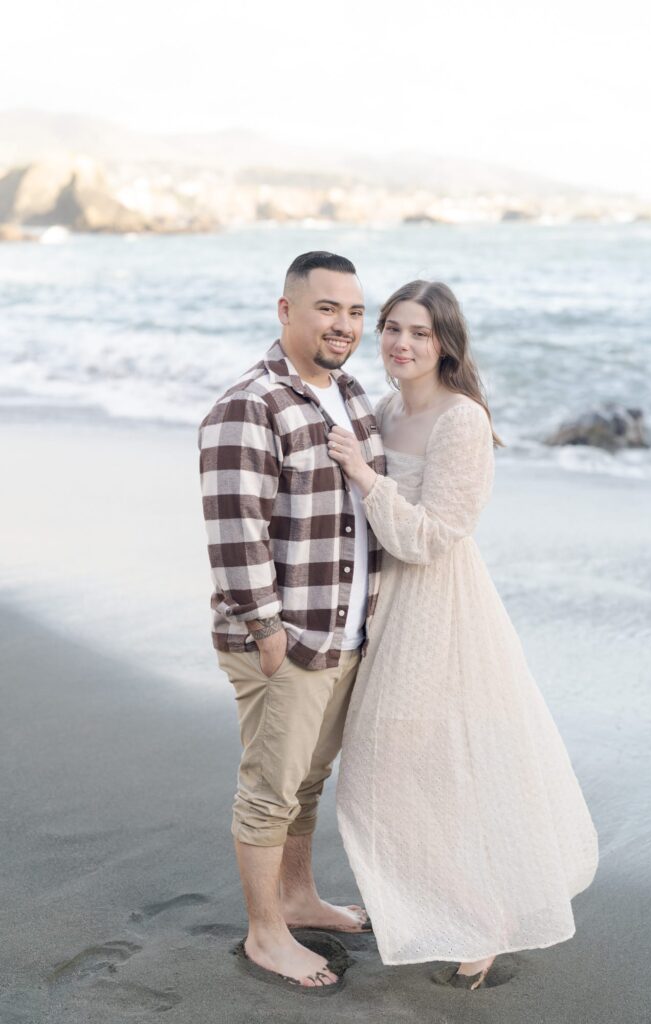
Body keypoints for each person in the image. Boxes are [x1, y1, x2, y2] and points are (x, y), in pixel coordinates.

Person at [331, 280, 599, 989]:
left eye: (418, 332)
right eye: (391, 327)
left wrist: (363, 475)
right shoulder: (386, 407)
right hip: (381, 605)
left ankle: (484, 917)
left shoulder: (462, 421)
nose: (400, 343)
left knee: (415, 765)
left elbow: (435, 537)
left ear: (446, 343)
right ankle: (426, 900)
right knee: (394, 772)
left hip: (438, 610)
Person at [198, 251, 385, 991]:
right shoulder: (249, 404)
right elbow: (232, 529)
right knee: (270, 788)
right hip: (286, 639)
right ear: (286, 312)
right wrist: (269, 633)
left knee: (308, 780)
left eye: (355, 311)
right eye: (327, 308)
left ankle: (300, 897)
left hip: (344, 633)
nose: (344, 324)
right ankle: (266, 933)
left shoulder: (354, 394)